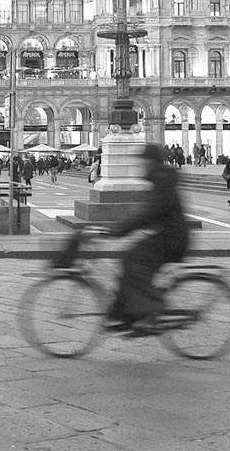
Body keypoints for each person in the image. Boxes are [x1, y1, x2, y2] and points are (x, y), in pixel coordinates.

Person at [56, 143, 190, 336]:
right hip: (167, 235)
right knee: (129, 260)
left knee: (135, 262)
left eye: (143, 161)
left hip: (173, 239)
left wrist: (118, 229)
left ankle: (150, 312)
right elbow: (146, 212)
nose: (141, 165)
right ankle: (126, 314)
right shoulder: (160, 179)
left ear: (151, 162)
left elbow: (149, 212)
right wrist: (118, 228)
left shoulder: (162, 180)